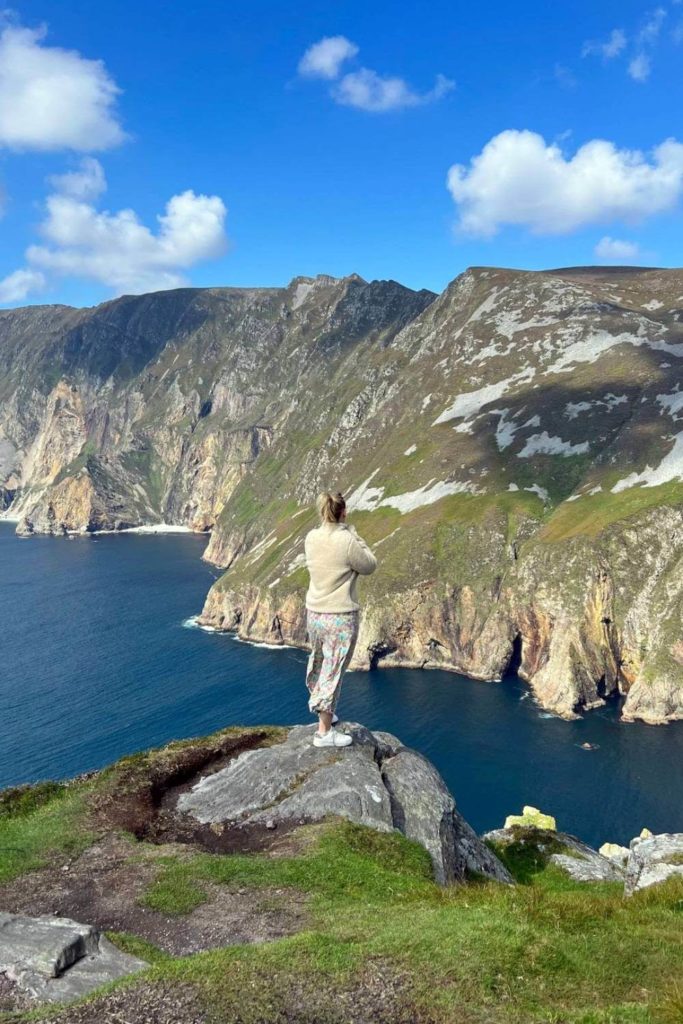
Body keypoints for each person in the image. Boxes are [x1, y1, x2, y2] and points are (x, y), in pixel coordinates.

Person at [303, 491, 377, 747]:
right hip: (339, 616)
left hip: (314, 613)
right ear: (343, 512)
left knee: (320, 662)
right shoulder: (347, 540)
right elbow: (369, 565)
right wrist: (355, 535)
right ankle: (324, 732)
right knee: (333, 670)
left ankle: (325, 711)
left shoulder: (311, 537)